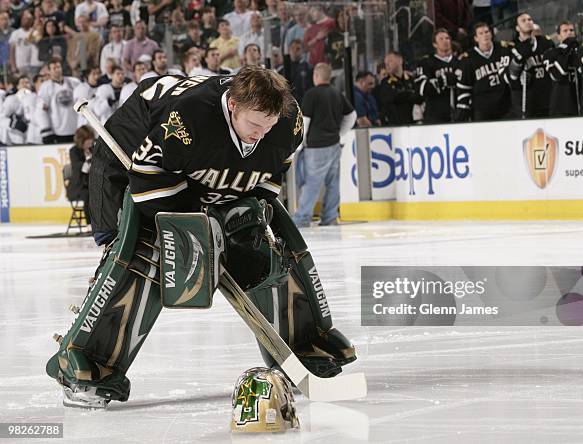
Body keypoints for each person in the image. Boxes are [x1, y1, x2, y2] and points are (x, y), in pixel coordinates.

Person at [47, 66, 356, 409]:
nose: (262, 133)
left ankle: (306, 343)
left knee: (265, 244)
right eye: (255, 125)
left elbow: (270, 175)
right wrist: (198, 227)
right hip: (136, 156)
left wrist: (245, 217)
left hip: (198, 160)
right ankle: (88, 362)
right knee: (147, 250)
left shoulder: (286, 121)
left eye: (268, 126)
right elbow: (149, 179)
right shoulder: (188, 117)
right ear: (234, 105)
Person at [293, 62, 356, 227]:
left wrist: (300, 143)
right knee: (333, 183)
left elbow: (304, 122)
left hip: (316, 147)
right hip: (334, 145)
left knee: (312, 183)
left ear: (316, 75)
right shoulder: (337, 93)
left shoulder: (311, 94)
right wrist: (340, 133)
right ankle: (329, 217)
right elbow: (351, 116)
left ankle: (302, 218)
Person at [456, 22, 513, 121]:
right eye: (480, 33)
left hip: (506, 105)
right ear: (476, 38)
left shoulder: (504, 49)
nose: (485, 35)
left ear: (491, 34)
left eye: (487, 32)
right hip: (482, 109)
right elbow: (464, 87)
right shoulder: (468, 58)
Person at [507, 12, 554, 118]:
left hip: (547, 96)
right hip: (527, 99)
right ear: (517, 28)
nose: (528, 22)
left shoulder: (546, 42)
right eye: (523, 21)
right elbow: (512, 76)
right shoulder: (512, 47)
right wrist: (518, 66)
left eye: (530, 19)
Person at [415, 28, 462, 124]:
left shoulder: (460, 62)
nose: (445, 41)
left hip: (458, 115)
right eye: (441, 39)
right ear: (434, 44)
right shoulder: (426, 63)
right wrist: (443, 80)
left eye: (447, 38)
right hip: (434, 116)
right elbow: (422, 88)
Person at [38, 56, 80, 143]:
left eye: (58, 67)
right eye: (54, 68)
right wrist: (46, 130)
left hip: (75, 128)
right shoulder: (46, 87)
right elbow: (42, 110)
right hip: (58, 131)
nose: (57, 70)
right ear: (49, 71)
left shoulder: (74, 82)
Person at [543, 21, 580, 117]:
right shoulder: (550, 54)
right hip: (560, 107)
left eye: (571, 30)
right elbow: (557, 75)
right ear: (558, 36)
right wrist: (566, 47)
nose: (569, 33)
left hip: (580, 105)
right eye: (565, 31)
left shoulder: (580, 52)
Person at [376, 51, 421, 125]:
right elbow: (392, 98)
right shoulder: (385, 82)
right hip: (395, 124)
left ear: (400, 61)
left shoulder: (411, 79)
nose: (387, 64)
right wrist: (409, 94)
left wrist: (404, 94)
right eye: (385, 63)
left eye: (390, 61)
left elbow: (418, 96)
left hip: (412, 123)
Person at [67, 125, 94, 223]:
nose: (90, 143)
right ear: (81, 140)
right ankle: (89, 223)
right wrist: (89, 160)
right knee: (88, 195)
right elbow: (80, 167)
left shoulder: (92, 149)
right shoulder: (74, 151)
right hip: (78, 187)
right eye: (88, 140)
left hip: (90, 184)